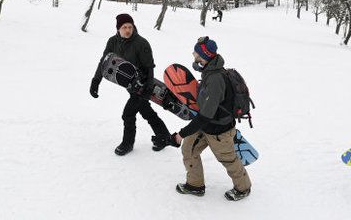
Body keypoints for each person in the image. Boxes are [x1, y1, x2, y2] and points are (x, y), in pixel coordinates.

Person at [171, 37, 252, 201]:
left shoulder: (215, 79)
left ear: (205, 56)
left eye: (196, 54)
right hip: (208, 126)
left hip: (219, 132)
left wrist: (181, 134)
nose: (194, 56)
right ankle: (195, 185)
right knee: (189, 149)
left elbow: (205, 116)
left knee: (228, 159)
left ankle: (243, 188)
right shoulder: (209, 71)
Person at [90, 14, 172, 156]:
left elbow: (149, 67)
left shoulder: (141, 43)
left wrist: (147, 88)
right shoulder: (112, 42)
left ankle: (127, 143)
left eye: (130, 27)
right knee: (146, 111)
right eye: (124, 27)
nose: (128, 30)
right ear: (118, 29)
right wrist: (96, 81)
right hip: (129, 84)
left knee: (128, 114)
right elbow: (104, 62)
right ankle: (164, 136)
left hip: (143, 84)